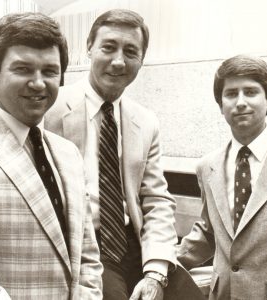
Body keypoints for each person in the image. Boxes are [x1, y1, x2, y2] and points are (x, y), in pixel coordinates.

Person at [45, 8, 204, 300]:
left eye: (131, 51)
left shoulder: (145, 122)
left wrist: (155, 270)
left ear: (142, 60)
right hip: (83, 247)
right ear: (89, 48)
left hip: (135, 244)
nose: (119, 61)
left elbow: (156, 200)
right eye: (108, 47)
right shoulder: (50, 108)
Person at [0, 12, 103, 299]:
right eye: (22, 69)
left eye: (49, 71)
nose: (38, 83)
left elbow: (87, 258)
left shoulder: (67, 153)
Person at [176, 54, 267, 300]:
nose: (240, 102)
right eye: (231, 94)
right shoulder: (207, 167)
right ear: (221, 106)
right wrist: (161, 265)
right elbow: (209, 231)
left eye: (251, 92)